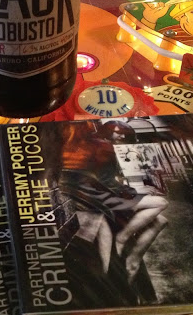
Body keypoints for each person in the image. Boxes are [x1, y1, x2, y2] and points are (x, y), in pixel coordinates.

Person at [59, 120, 168, 304]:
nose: (121, 136)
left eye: (124, 134)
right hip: (100, 196)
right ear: (106, 131)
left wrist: (130, 193)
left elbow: (106, 179)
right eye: (118, 132)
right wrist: (132, 194)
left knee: (160, 220)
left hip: (98, 194)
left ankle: (133, 262)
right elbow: (105, 181)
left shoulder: (98, 146)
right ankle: (125, 248)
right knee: (159, 208)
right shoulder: (101, 148)